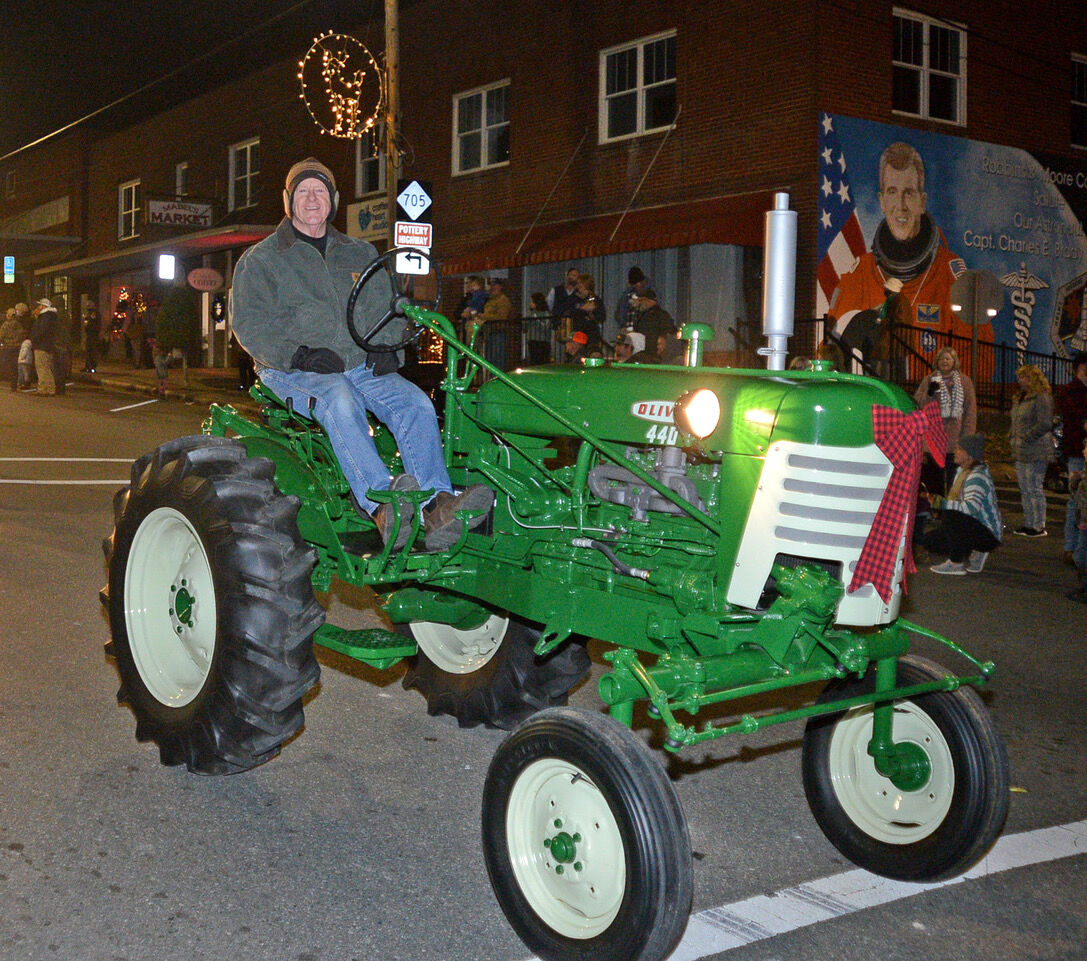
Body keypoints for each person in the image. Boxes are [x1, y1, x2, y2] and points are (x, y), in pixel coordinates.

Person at [231, 157, 492, 551]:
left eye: (320, 191)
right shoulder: (261, 260)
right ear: (288, 202)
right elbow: (250, 325)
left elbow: (385, 306)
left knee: (415, 403)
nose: (312, 198)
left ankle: (436, 506)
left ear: (333, 200)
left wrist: (388, 349)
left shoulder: (358, 251)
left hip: (358, 363)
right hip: (288, 367)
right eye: (303, 191)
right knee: (338, 397)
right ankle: (382, 506)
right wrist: (298, 355)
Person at [829, 142, 985, 373]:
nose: (900, 206)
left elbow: (981, 360)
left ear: (922, 202)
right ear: (882, 201)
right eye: (892, 192)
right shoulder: (859, 275)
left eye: (909, 193)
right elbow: (831, 349)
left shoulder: (950, 277)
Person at [924, 433, 1003, 575]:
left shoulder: (976, 477)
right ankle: (971, 550)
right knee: (930, 541)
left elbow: (971, 508)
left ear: (970, 455)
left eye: (959, 449)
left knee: (951, 513)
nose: (955, 451)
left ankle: (956, 563)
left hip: (988, 533)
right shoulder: (963, 472)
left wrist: (942, 504)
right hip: (973, 527)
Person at [914, 347, 977, 495]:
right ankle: (934, 511)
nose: (944, 361)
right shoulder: (929, 380)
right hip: (933, 440)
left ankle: (949, 512)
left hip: (954, 441)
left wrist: (967, 439)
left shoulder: (964, 382)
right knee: (932, 480)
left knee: (953, 481)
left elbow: (970, 412)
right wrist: (930, 393)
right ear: (937, 362)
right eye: (941, 359)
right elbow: (918, 403)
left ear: (954, 362)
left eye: (948, 358)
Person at [1009, 364, 1055, 537]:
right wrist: (1012, 436)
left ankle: (1038, 525)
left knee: (1034, 487)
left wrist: (1026, 436)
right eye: (1020, 377)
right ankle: (1029, 523)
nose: (1021, 380)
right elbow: (1016, 421)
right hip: (1021, 448)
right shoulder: (1021, 397)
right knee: (1025, 487)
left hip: (1036, 449)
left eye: (1025, 377)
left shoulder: (1041, 397)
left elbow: (1044, 423)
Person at [1058, 352, 1087, 566]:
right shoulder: (1070, 391)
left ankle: (1079, 549)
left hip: (1080, 449)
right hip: (1077, 452)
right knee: (1075, 500)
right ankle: (1071, 548)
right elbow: (1073, 416)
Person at [1065, 434, 1087, 603]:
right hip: (1082, 521)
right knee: (1080, 555)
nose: (1084, 451)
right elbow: (1077, 496)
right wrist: (1075, 481)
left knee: (1082, 555)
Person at [480, 277, 512, 370]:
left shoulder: (503, 300)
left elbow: (502, 316)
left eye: (494, 285)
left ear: (500, 287)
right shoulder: (490, 300)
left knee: (497, 359)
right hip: (490, 332)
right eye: (491, 285)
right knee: (490, 358)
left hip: (498, 332)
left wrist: (485, 316)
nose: (492, 288)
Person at [614, 266, 651, 343]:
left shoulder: (650, 294)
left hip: (641, 332)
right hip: (628, 331)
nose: (636, 287)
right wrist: (623, 326)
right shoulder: (626, 295)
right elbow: (620, 312)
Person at [30, 298, 58, 395]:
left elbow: (40, 331)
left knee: (41, 368)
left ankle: (42, 389)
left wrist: (34, 340)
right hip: (48, 345)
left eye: (40, 305)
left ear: (44, 306)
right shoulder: (51, 316)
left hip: (41, 346)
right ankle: (50, 388)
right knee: (47, 368)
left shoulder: (44, 317)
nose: (38, 307)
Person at [571, 273, 604, 349]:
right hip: (578, 332)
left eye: (580, 283)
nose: (578, 286)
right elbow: (569, 312)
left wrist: (592, 310)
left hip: (591, 333)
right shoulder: (574, 298)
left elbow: (601, 315)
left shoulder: (594, 298)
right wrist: (582, 309)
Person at [524, 291, 552, 365]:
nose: (530, 303)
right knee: (533, 362)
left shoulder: (546, 314)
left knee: (542, 363)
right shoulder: (531, 313)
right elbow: (525, 328)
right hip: (533, 341)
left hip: (542, 342)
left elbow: (546, 326)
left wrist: (537, 319)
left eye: (532, 302)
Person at [0, 307, 22, 390]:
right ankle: (14, 384)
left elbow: (1, 336)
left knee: (5, 364)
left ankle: (4, 379)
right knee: (14, 366)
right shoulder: (19, 324)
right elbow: (21, 334)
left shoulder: (5, 325)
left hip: (7, 347)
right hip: (16, 347)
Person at [82, 303, 100, 373]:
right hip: (91, 334)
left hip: (93, 335)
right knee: (89, 351)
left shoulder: (93, 313)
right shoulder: (90, 313)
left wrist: (87, 321)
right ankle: (88, 366)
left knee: (92, 351)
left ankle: (91, 367)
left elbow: (92, 323)